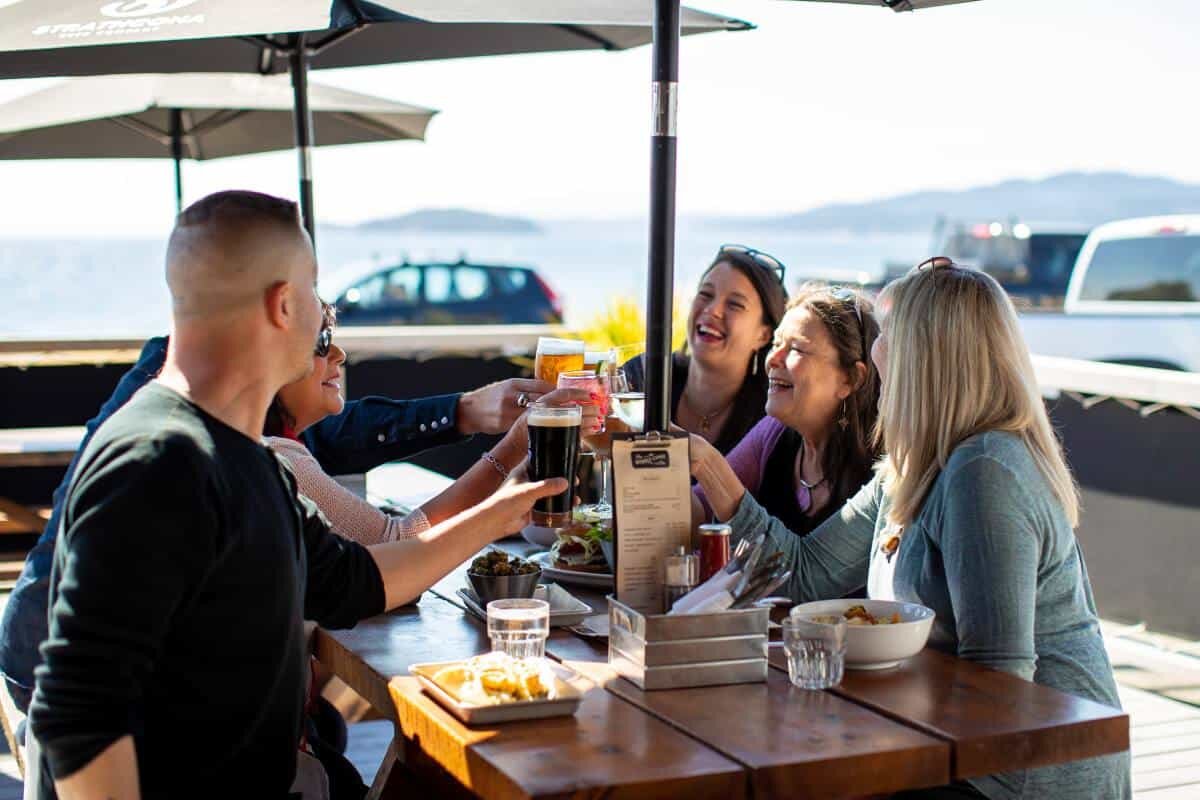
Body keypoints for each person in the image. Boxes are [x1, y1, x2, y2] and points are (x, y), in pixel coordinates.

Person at [26, 190, 566, 799]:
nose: (327, 320)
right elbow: (78, 715)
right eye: (317, 293)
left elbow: (357, 580)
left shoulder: (248, 456)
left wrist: (504, 509)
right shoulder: (159, 460)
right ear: (283, 305)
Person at [689, 258, 1130, 799]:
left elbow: (1001, 688)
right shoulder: (910, 466)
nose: (876, 353)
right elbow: (805, 574)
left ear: (926, 357)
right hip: (959, 747)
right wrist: (710, 468)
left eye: (889, 337)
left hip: (1028, 773)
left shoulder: (985, 470)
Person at [0, 323, 553, 718]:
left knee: (327, 726)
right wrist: (503, 475)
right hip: (77, 690)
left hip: (46, 662)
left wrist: (469, 420)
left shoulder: (221, 425)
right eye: (319, 333)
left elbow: (350, 575)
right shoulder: (230, 446)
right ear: (269, 326)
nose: (337, 353)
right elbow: (376, 561)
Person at [690, 285, 881, 540]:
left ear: (851, 379)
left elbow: (810, 568)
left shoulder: (883, 468)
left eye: (797, 349)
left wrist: (706, 462)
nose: (773, 360)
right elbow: (698, 510)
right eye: (776, 344)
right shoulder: (774, 432)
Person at [623, 244, 787, 454]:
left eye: (735, 304)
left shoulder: (770, 415)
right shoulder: (642, 376)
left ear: (763, 335)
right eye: (706, 294)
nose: (712, 310)